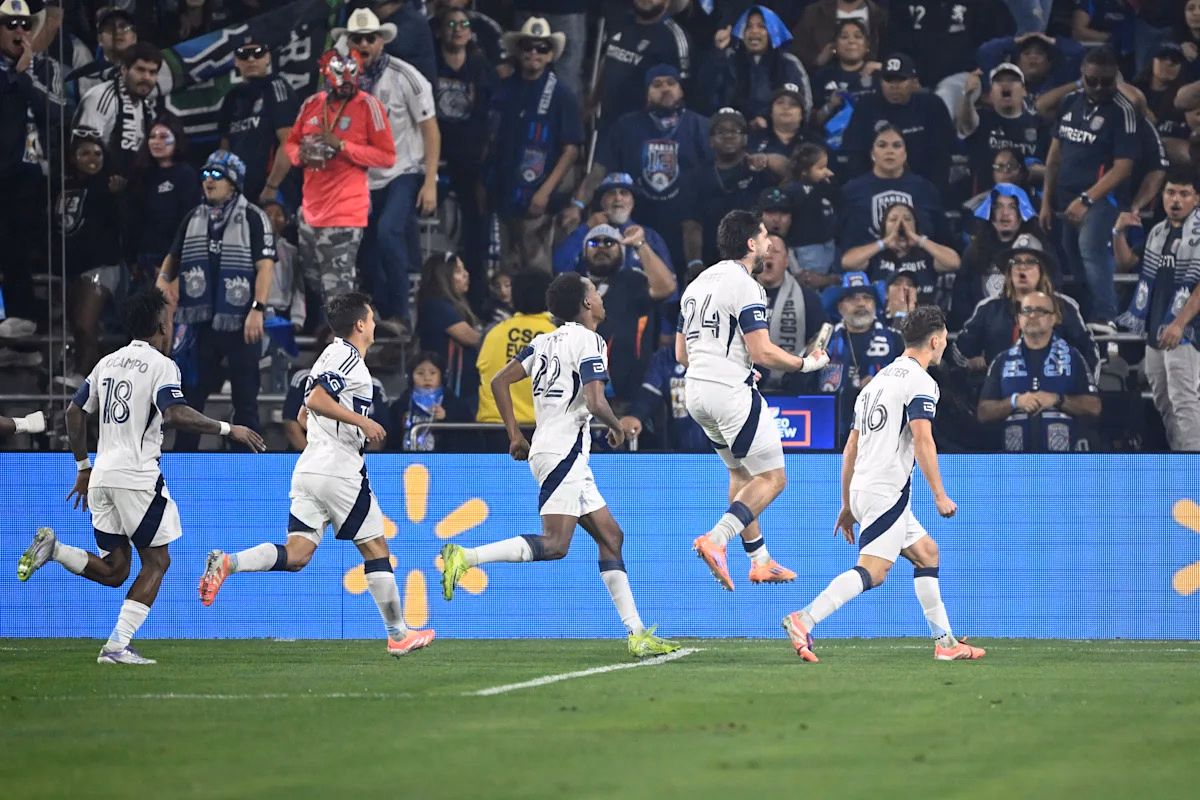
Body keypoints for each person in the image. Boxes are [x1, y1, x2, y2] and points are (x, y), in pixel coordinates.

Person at [16, 288, 265, 665]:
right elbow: (175, 413)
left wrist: (83, 466)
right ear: (162, 325)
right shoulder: (162, 365)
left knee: (116, 570)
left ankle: (55, 550)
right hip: (136, 477)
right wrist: (230, 429)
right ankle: (117, 646)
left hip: (101, 476)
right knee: (158, 562)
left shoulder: (107, 362)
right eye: (170, 318)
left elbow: (73, 412)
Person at [439, 272, 681, 659]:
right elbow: (596, 400)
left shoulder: (543, 341)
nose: (600, 297)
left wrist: (515, 435)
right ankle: (466, 557)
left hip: (558, 450)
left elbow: (499, 382)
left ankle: (637, 633)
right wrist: (618, 427)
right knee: (555, 545)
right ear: (586, 303)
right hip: (563, 452)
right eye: (595, 292)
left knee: (611, 537)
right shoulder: (590, 340)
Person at [197, 292, 436, 657]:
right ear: (360, 324)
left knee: (297, 555)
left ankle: (228, 562)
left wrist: (330, 430)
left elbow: (305, 414)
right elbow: (315, 401)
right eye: (372, 319)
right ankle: (399, 635)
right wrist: (361, 423)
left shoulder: (329, 354)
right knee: (376, 549)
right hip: (338, 469)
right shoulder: (348, 358)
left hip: (310, 466)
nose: (375, 325)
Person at [782, 305, 987, 663]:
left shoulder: (876, 382)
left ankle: (945, 643)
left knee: (927, 553)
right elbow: (923, 439)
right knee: (874, 572)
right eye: (943, 340)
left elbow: (850, 447)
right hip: (886, 491)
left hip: (866, 487)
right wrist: (939, 495)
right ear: (935, 341)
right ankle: (804, 619)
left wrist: (847, 504)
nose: (944, 345)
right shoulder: (921, 382)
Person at [683, 211, 829, 591]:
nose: (768, 244)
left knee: (741, 475)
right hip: (729, 392)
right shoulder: (747, 284)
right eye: (764, 238)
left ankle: (760, 560)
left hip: (695, 393)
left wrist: (736, 361)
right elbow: (763, 351)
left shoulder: (696, 284)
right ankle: (716, 539)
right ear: (750, 244)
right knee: (773, 478)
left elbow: (684, 354)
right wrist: (805, 363)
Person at [155, 151, 275, 452]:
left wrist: (257, 309)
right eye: (206, 174)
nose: (209, 181)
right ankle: (184, 460)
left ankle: (248, 463)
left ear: (234, 182)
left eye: (217, 175)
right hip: (201, 324)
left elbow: (266, 267)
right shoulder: (193, 217)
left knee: (245, 399)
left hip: (241, 323)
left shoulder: (253, 216)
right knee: (192, 397)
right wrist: (163, 282)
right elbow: (172, 256)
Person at [343, 8, 440, 333]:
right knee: (364, 244)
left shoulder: (405, 75)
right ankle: (381, 312)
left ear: (381, 41)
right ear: (349, 43)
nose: (364, 44)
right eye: (358, 39)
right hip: (361, 177)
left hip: (403, 170)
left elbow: (430, 129)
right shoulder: (342, 82)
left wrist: (430, 181)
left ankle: (400, 313)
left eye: (370, 38)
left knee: (388, 232)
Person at [573, 64, 712, 276]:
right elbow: (600, 170)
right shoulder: (626, 126)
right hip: (638, 222)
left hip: (687, 227)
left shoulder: (700, 126)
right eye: (657, 85)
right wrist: (577, 204)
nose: (665, 89)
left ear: (681, 90)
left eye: (671, 83)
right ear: (646, 93)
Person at [286, 50, 396, 312]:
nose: (347, 85)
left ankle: (346, 333)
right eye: (341, 80)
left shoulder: (369, 105)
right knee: (313, 279)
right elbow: (290, 143)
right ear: (327, 76)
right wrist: (300, 155)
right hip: (311, 208)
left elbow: (387, 156)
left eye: (351, 80)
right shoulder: (311, 104)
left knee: (337, 286)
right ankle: (359, 318)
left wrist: (343, 146)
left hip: (346, 210)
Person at [1039, 46, 1139, 332]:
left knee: (1091, 249)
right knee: (1072, 257)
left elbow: (1123, 167)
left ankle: (1106, 315)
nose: (1097, 88)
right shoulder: (1070, 101)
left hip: (1102, 198)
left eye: (1105, 82)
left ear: (1116, 79)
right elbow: (1054, 157)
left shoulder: (1123, 110)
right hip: (1064, 196)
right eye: (1091, 81)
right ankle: (1083, 317)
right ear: (1082, 76)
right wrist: (1046, 201)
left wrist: (1087, 199)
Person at [1114, 170, 1200, 451]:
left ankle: (1193, 465)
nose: (1176, 200)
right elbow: (1126, 262)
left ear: (1196, 199)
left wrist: (1179, 323)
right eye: (1170, 192)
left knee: (1185, 400)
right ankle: (1181, 458)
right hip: (1155, 333)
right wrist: (1118, 232)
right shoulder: (1158, 232)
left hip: (1186, 333)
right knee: (1165, 403)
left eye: (1184, 194)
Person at [488, 17, 581, 274]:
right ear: (518, 52)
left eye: (541, 48)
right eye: (528, 47)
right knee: (504, 271)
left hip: (538, 197)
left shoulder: (562, 95)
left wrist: (545, 192)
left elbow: (571, 150)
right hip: (502, 192)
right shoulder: (503, 89)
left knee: (537, 269)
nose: (534, 53)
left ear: (550, 55)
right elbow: (491, 139)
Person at [955, 233, 1100, 377]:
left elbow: (1089, 353)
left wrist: (1085, 387)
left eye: (1030, 262)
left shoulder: (1064, 306)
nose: (1022, 268)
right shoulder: (989, 308)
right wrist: (970, 363)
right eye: (1016, 262)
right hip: (1001, 388)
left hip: (1054, 387)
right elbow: (960, 350)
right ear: (1009, 271)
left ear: (1041, 270)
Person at [977, 290, 1102, 451]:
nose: (1032, 316)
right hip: (1014, 461)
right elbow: (983, 412)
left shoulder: (1073, 358)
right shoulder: (1002, 361)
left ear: (1054, 319)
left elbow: (1094, 406)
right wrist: (1015, 401)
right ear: (1018, 318)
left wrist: (1058, 400)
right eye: (1027, 310)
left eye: (1040, 310)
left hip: (1062, 462)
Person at [434, 5, 496, 312]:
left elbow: (490, 116)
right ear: (439, 31)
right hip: (435, 157)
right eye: (451, 24)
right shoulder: (430, 64)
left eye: (463, 24)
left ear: (471, 33)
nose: (458, 29)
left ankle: (476, 300)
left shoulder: (480, 66)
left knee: (476, 231)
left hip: (471, 160)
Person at [53, 131, 125, 388]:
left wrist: (118, 196)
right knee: (79, 327)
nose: (92, 158)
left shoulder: (110, 185)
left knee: (85, 324)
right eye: (85, 153)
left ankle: (83, 376)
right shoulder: (61, 187)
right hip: (71, 268)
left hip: (102, 265)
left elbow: (123, 224)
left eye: (97, 153)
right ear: (73, 158)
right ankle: (92, 377)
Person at [841, 53, 957, 188]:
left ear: (913, 82)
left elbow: (943, 152)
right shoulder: (866, 106)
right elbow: (854, 150)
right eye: (888, 80)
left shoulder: (932, 105)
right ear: (881, 82)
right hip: (874, 185)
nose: (894, 86)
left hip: (923, 185)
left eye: (900, 80)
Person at [681, 108, 778, 270]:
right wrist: (694, 262)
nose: (728, 135)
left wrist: (767, 159)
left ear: (745, 138)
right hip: (712, 262)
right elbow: (692, 224)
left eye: (735, 130)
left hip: (755, 259)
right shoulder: (697, 177)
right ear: (711, 140)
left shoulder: (758, 170)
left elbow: (789, 171)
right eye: (721, 131)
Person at [553, 172, 677, 293]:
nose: (618, 198)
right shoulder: (587, 234)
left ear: (632, 201)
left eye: (624, 193)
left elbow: (670, 287)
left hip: (638, 304)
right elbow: (559, 266)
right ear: (602, 202)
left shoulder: (650, 236)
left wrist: (640, 243)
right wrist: (586, 228)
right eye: (611, 193)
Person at [818, 272, 905, 442]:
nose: (861, 303)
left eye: (867, 298)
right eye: (853, 298)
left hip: (884, 432)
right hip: (832, 432)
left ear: (875, 305)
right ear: (840, 307)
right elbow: (805, 385)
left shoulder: (895, 340)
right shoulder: (824, 341)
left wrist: (884, 386)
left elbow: (910, 383)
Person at [217, 38, 300, 207]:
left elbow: (289, 142)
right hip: (239, 192)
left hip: (273, 191)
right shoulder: (231, 98)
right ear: (236, 61)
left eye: (258, 53)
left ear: (267, 57)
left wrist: (272, 186)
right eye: (244, 55)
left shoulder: (276, 87)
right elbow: (224, 150)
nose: (251, 59)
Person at [839, 124, 948, 247]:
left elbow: (943, 239)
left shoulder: (926, 190)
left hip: (917, 257)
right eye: (882, 145)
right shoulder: (851, 191)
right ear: (872, 153)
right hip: (865, 258)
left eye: (897, 145)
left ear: (905, 154)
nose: (889, 151)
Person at [476, 271, 556, 436]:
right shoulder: (559, 337)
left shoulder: (493, 333)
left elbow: (480, 373)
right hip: (544, 428)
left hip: (496, 427)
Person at [596, 0, 694, 133]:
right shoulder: (621, 21)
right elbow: (607, 61)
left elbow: (682, 91)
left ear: (667, 2)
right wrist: (592, 101)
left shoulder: (673, 37)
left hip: (645, 130)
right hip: (607, 122)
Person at [954, 183, 1043, 329]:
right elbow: (961, 297)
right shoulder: (974, 250)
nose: (1005, 213)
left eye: (1012, 207)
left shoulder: (1037, 248)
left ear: (1022, 213)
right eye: (998, 207)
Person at [700, 6, 812, 122]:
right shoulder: (728, 60)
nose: (754, 31)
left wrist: (768, 124)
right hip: (735, 129)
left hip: (776, 129)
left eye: (761, 26)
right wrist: (718, 53)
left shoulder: (789, 64)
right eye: (748, 26)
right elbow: (706, 96)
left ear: (773, 32)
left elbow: (803, 106)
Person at [841, 201, 961, 308]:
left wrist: (919, 240)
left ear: (915, 225)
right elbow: (848, 262)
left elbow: (954, 263)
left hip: (921, 318)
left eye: (907, 219)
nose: (901, 225)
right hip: (883, 319)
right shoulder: (875, 256)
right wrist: (885, 242)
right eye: (893, 220)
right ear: (884, 226)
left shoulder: (926, 255)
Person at [72, 41, 161, 180]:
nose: (146, 78)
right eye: (140, 70)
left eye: (152, 72)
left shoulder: (146, 105)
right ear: (124, 70)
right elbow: (83, 152)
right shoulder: (99, 97)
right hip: (98, 184)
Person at [757, 233, 829, 394]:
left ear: (786, 261)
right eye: (764, 251)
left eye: (775, 252)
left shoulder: (808, 298)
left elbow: (820, 338)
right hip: (748, 387)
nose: (769, 256)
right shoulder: (738, 297)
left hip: (794, 388)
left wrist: (813, 350)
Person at [958, 63, 1047, 192]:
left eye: (1012, 80)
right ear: (991, 93)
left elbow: (1052, 168)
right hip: (987, 197)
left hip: (1028, 197)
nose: (1005, 84)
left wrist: (1028, 171)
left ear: (1024, 91)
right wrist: (967, 95)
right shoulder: (981, 119)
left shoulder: (1039, 124)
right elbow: (965, 124)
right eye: (998, 81)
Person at [416, 251, 482, 405]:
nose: (466, 274)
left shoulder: (450, 304)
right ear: (442, 277)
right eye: (458, 271)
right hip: (450, 393)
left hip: (464, 389)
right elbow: (471, 338)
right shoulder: (436, 305)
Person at [810, 19, 883, 132]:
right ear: (835, 45)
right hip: (830, 139)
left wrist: (885, 68)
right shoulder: (822, 76)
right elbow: (812, 122)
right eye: (844, 37)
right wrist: (829, 106)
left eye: (858, 36)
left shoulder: (879, 75)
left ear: (867, 45)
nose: (851, 41)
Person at [394, 351, 471, 452]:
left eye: (432, 373)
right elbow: (391, 440)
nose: (427, 378)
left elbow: (469, 439)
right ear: (410, 377)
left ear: (442, 376)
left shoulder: (456, 404)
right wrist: (401, 424)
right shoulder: (401, 404)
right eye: (420, 373)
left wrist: (446, 419)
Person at [784, 142, 840, 281]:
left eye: (826, 166)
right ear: (804, 170)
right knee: (813, 282)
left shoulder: (823, 185)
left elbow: (839, 200)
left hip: (829, 244)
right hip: (807, 248)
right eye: (820, 168)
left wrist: (832, 182)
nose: (826, 171)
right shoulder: (794, 190)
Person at [790, 0, 888, 74]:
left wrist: (882, 66)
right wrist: (816, 60)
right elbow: (794, 53)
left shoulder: (880, 16)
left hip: (869, 84)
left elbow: (890, 54)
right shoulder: (814, 13)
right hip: (820, 84)